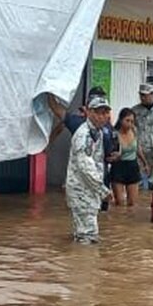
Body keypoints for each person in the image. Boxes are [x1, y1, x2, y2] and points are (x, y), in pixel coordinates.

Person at [65, 96, 113, 244]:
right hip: (82, 191)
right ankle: (84, 258)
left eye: (106, 112)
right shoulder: (84, 135)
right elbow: (85, 167)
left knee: (85, 234)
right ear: (89, 112)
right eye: (99, 112)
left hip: (89, 190)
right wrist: (103, 190)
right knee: (87, 236)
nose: (103, 116)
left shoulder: (98, 132)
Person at [132, 82, 153, 190]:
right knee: (141, 185)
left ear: (152, 94)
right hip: (141, 152)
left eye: (145, 95)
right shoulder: (135, 111)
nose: (143, 98)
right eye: (141, 95)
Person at [110, 107, 144, 207]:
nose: (130, 124)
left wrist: (144, 162)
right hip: (118, 167)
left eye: (132, 121)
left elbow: (138, 149)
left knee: (132, 203)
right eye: (127, 120)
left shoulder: (134, 131)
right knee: (120, 202)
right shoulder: (114, 134)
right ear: (121, 120)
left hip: (132, 167)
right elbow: (112, 152)